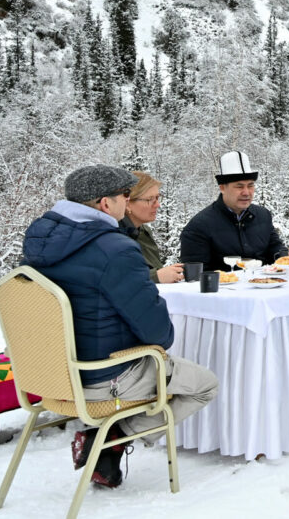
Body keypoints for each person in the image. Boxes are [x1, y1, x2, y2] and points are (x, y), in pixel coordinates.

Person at [21, 165, 219, 488]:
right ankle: (113, 436)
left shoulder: (37, 240)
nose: (128, 204)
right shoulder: (115, 249)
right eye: (126, 196)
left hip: (47, 376)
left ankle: (106, 442)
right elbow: (160, 334)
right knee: (205, 384)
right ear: (104, 204)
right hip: (102, 379)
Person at [179, 151, 289, 271]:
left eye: (250, 185)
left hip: (263, 285)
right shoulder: (199, 226)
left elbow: (274, 250)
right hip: (223, 289)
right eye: (239, 186)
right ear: (222, 188)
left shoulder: (263, 216)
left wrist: (286, 255)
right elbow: (195, 275)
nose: (246, 192)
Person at [120, 170, 184, 283]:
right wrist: (156, 277)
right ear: (128, 203)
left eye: (158, 198)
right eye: (150, 199)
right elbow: (115, 281)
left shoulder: (143, 232)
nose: (158, 205)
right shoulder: (112, 235)